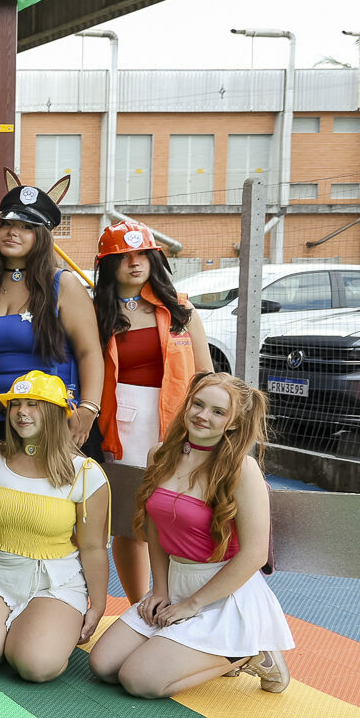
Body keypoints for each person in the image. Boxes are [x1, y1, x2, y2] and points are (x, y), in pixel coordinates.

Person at [88, 374, 292, 697]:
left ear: (234, 424)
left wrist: (193, 605)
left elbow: (254, 554)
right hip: (176, 583)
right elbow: (155, 527)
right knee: (104, 665)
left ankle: (248, 651)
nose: (202, 415)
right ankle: (193, 648)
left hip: (223, 595)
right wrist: (160, 589)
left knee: (139, 680)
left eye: (218, 412)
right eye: (198, 404)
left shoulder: (242, 469)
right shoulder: (160, 454)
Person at [0, 175, 105, 554]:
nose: (12, 232)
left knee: (60, 519)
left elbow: (90, 352)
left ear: (43, 235)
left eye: (26, 226)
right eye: (7, 223)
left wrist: (88, 409)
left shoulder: (64, 285)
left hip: (55, 420)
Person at [0, 370, 111, 684]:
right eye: (16, 404)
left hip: (55, 582)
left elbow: (93, 547)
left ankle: (37, 629)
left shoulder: (86, 473)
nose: (22, 412)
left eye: (33, 404)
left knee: (36, 666)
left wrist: (98, 605)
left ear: (57, 412)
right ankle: (3, 626)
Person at [91, 221, 213, 603]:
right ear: (108, 264)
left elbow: (205, 374)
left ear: (154, 259)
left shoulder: (181, 308)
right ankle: (139, 604)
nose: (134, 262)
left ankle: (179, 600)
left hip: (180, 424)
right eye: (124, 256)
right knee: (131, 523)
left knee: (180, 513)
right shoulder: (96, 313)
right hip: (121, 426)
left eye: (142, 254)